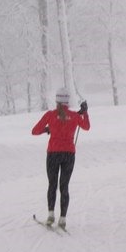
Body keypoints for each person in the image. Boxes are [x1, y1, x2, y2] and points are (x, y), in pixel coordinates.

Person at [31, 87, 90, 229]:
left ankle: (51, 215)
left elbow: (34, 131)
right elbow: (86, 127)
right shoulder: (75, 116)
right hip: (69, 154)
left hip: (53, 154)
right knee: (64, 186)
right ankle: (62, 219)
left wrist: (48, 129)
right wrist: (84, 113)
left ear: (57, 100)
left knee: (52, 184)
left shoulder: (50, 115)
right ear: (68, 101)